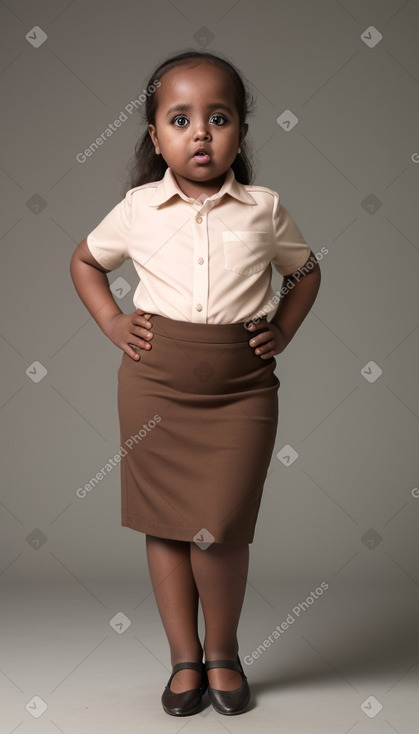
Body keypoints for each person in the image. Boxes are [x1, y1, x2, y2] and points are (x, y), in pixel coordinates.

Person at [70, 49, 321, 717]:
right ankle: (185, 658)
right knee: (166, 526)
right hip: (155, 388)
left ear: (240, 130)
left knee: (218, 527)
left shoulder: (263, 210)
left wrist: (283, 331)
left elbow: (305, 274)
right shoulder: (137, 208)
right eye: (180, 119)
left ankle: (224, 652)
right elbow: (86, 262)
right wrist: (112, 322)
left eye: (218, 117)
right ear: (156, 137)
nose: (200, 133)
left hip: (240, 392)